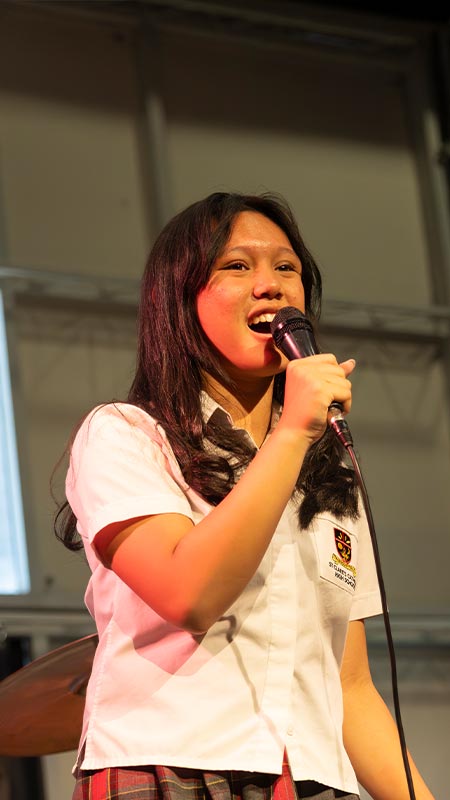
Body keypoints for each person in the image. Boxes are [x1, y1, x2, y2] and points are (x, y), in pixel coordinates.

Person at [55, 191, 435, 800]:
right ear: (180, 300)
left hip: (312, 779)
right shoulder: (128, 435)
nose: (271, 286)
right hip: (172, 768)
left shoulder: (325, 472)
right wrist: (293, 432)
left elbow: (352, 687)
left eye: (286, 268)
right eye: (237, 266)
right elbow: (190, 594)